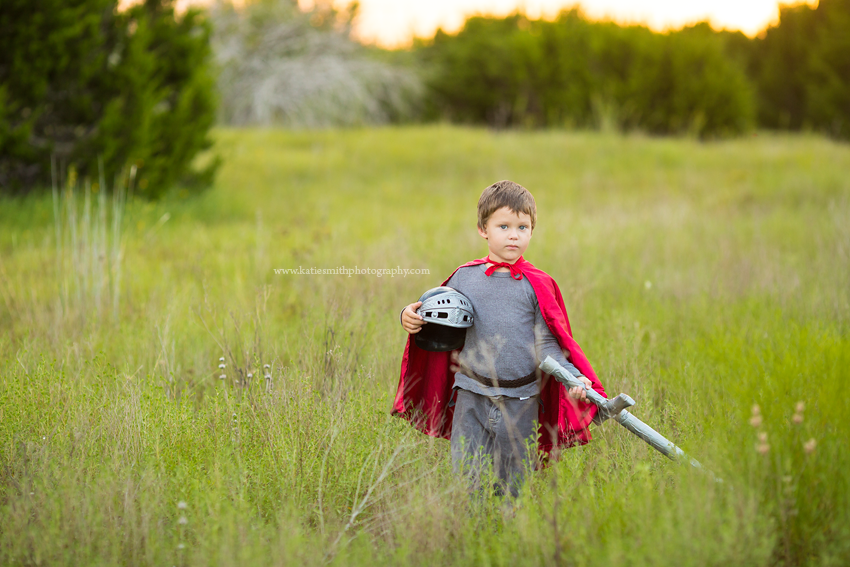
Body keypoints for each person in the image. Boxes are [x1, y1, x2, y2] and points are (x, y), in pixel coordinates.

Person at [393, 180, 606, 498]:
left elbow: (550, 345)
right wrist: (407, 315)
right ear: (483, 229)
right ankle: (469, 537)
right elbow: (436, 317)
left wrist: (575, 377)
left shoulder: (537, 284)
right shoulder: (464, 277)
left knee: (511, 488)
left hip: (521, 403)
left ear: (532, 231)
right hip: (470, 397)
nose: (513, 235)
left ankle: (504, 535)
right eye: (504, 225)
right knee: (467, 482)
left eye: (523, 226)